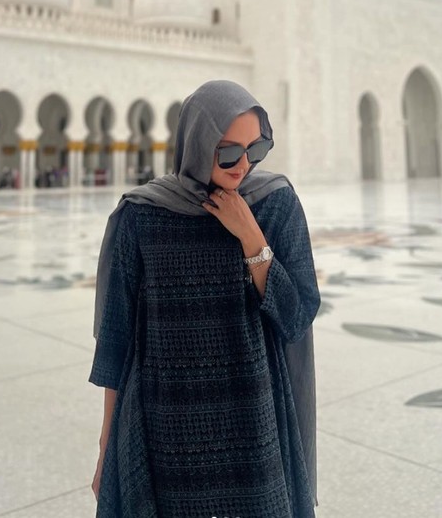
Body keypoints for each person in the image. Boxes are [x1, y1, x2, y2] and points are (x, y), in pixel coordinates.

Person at [89, 80, 320, 518]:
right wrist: (107, 443)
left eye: (257, 148)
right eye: (229, 151)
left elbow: (297, 316)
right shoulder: (142, 215)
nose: (244, 165)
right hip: (166, 428)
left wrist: (251, 236)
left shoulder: (274, 204)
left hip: (253, 420)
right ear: (196, 143)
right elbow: (116, 342)